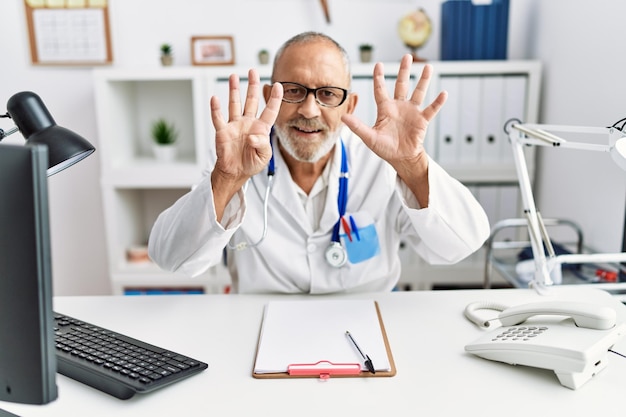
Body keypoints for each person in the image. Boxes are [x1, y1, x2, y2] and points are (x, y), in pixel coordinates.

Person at [148, 31, 490, 294]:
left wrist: (413, 165)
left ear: (349, 105)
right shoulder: (234, 160)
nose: (309, 111)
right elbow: (171, 258)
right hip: (260, 325)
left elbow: (462, 245)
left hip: (365, 325)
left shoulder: (382, 164)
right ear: (270, 97)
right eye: (293, 91)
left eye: (327, 94)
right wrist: (226, 180)